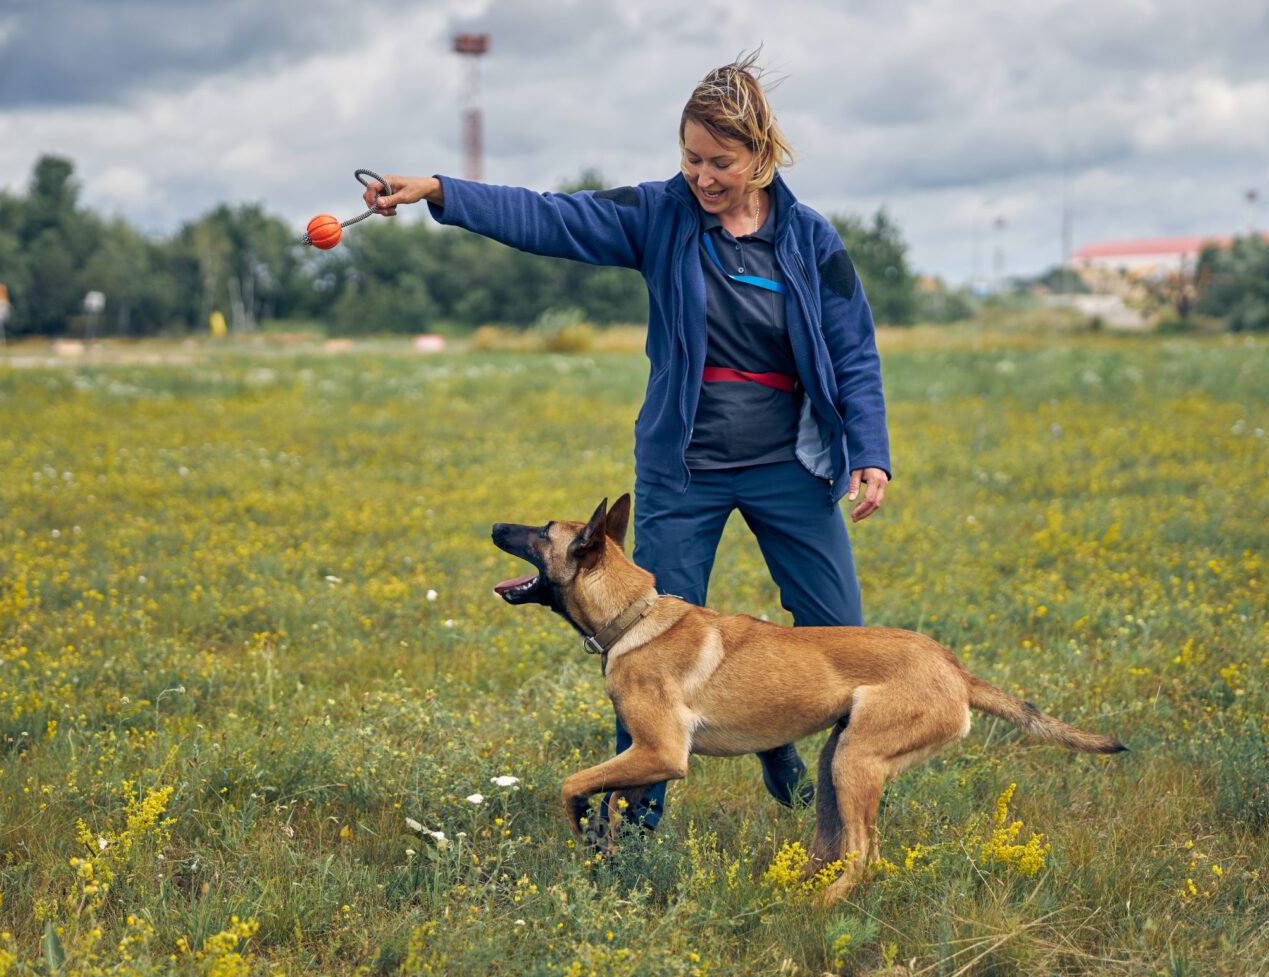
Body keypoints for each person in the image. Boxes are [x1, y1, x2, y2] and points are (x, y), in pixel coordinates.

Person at [366, 51, 890, 829]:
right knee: (641, 646)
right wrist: (445, 191)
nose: (702, 177)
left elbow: (853, 349)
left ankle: (809, 783)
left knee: (840, 632)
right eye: (690, 158)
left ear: (762, 155)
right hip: (686, 469)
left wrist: (869, 451)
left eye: (721, 162)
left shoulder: (811, 240)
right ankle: (634, 829)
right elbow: (553, 217)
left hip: (790, 462)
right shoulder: (661, 214)